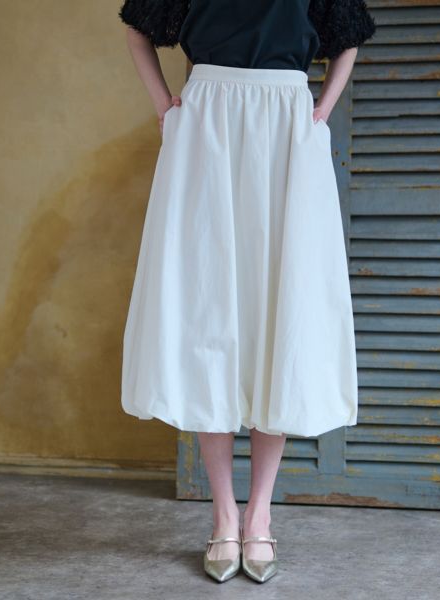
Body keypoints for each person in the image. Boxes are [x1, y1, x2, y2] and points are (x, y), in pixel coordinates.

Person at [117, 0, 376, 584]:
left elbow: (349, 39)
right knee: (207, 313)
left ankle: (259, 514)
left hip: (287, 127)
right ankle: (223, 514)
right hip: (206, 127)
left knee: (276, 312)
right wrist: (166, 109)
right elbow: (137, 29)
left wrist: (320, 114)